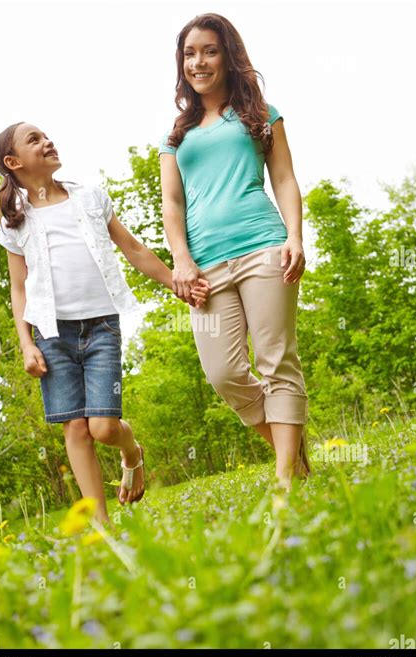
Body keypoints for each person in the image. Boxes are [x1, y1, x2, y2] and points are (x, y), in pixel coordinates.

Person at [0, 121, 211, 526]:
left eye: (46, 134)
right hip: (52, 333)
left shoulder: (89, 197)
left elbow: (133, 248)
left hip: (101, 328)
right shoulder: (15, 219)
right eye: (34, 139)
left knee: (104, 428)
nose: (48, 140)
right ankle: (102, 528)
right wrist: (26, 343)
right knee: (75, 429)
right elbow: (18, 288)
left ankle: (132, 451)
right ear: (13, 161)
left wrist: (176, 283)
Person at [158, 13, 311, 490]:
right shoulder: (176, 135)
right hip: (205, 267)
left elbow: (284, 179)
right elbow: (172, 203)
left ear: (227, 55)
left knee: (275, 358)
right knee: (223, 372)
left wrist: (295, 237)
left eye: (209, 50)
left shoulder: (261, 113)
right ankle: (295, 457)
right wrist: (181, 261)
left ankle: (286, 479)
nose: (198, 61)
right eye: (189, 53)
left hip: (264, 247)